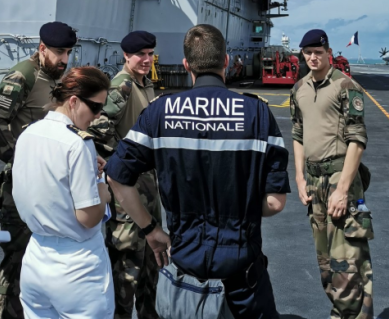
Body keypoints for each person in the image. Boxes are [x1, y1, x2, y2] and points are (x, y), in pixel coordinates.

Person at [105, 24, 289, 319]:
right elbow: (275, 203)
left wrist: (151, 230)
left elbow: (116, 176)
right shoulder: (257, 114)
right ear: (226, 62)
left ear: (186, 65)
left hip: (183, 275)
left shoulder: (160, 111)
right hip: (243, 280)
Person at [0, 21, 77, 319]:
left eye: (69, 53)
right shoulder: (24, 76)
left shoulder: (55, 79)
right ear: (42, 49)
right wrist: (21, 160)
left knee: (40, 265)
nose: (64, 59)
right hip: (20, 192)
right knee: (17, 265)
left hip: (48, 190)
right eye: (59, 52)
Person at [12, 67, 114, 319]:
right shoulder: (79, 143)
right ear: (74, 101)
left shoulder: (28, 133)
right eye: (95, 107)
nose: (98, 116)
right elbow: (88, 217)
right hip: (77, 266)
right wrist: (103, 190)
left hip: (35, 257)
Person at [290, 28, 373, 319]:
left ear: (329, 53)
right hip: (313, 182)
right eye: (308, 53)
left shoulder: (344, 86)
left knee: (347, 262)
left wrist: (342, 189)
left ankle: (348, 315)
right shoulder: (299, 88)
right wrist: (299, 178)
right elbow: (298, 134)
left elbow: (357, 140)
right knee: (326, 263)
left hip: (340, 179)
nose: (313, 58)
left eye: (319, 53)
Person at [89, 30, 160, 319]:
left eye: (150, 54)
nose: (146, 59)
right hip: (127, 188)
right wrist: (121, 161)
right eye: (140, 55)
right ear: (126, 56)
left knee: (150, 263)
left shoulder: (144, 84)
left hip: (146, 185)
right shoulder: (123, 86)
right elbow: (97, 128)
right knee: (127, 265)